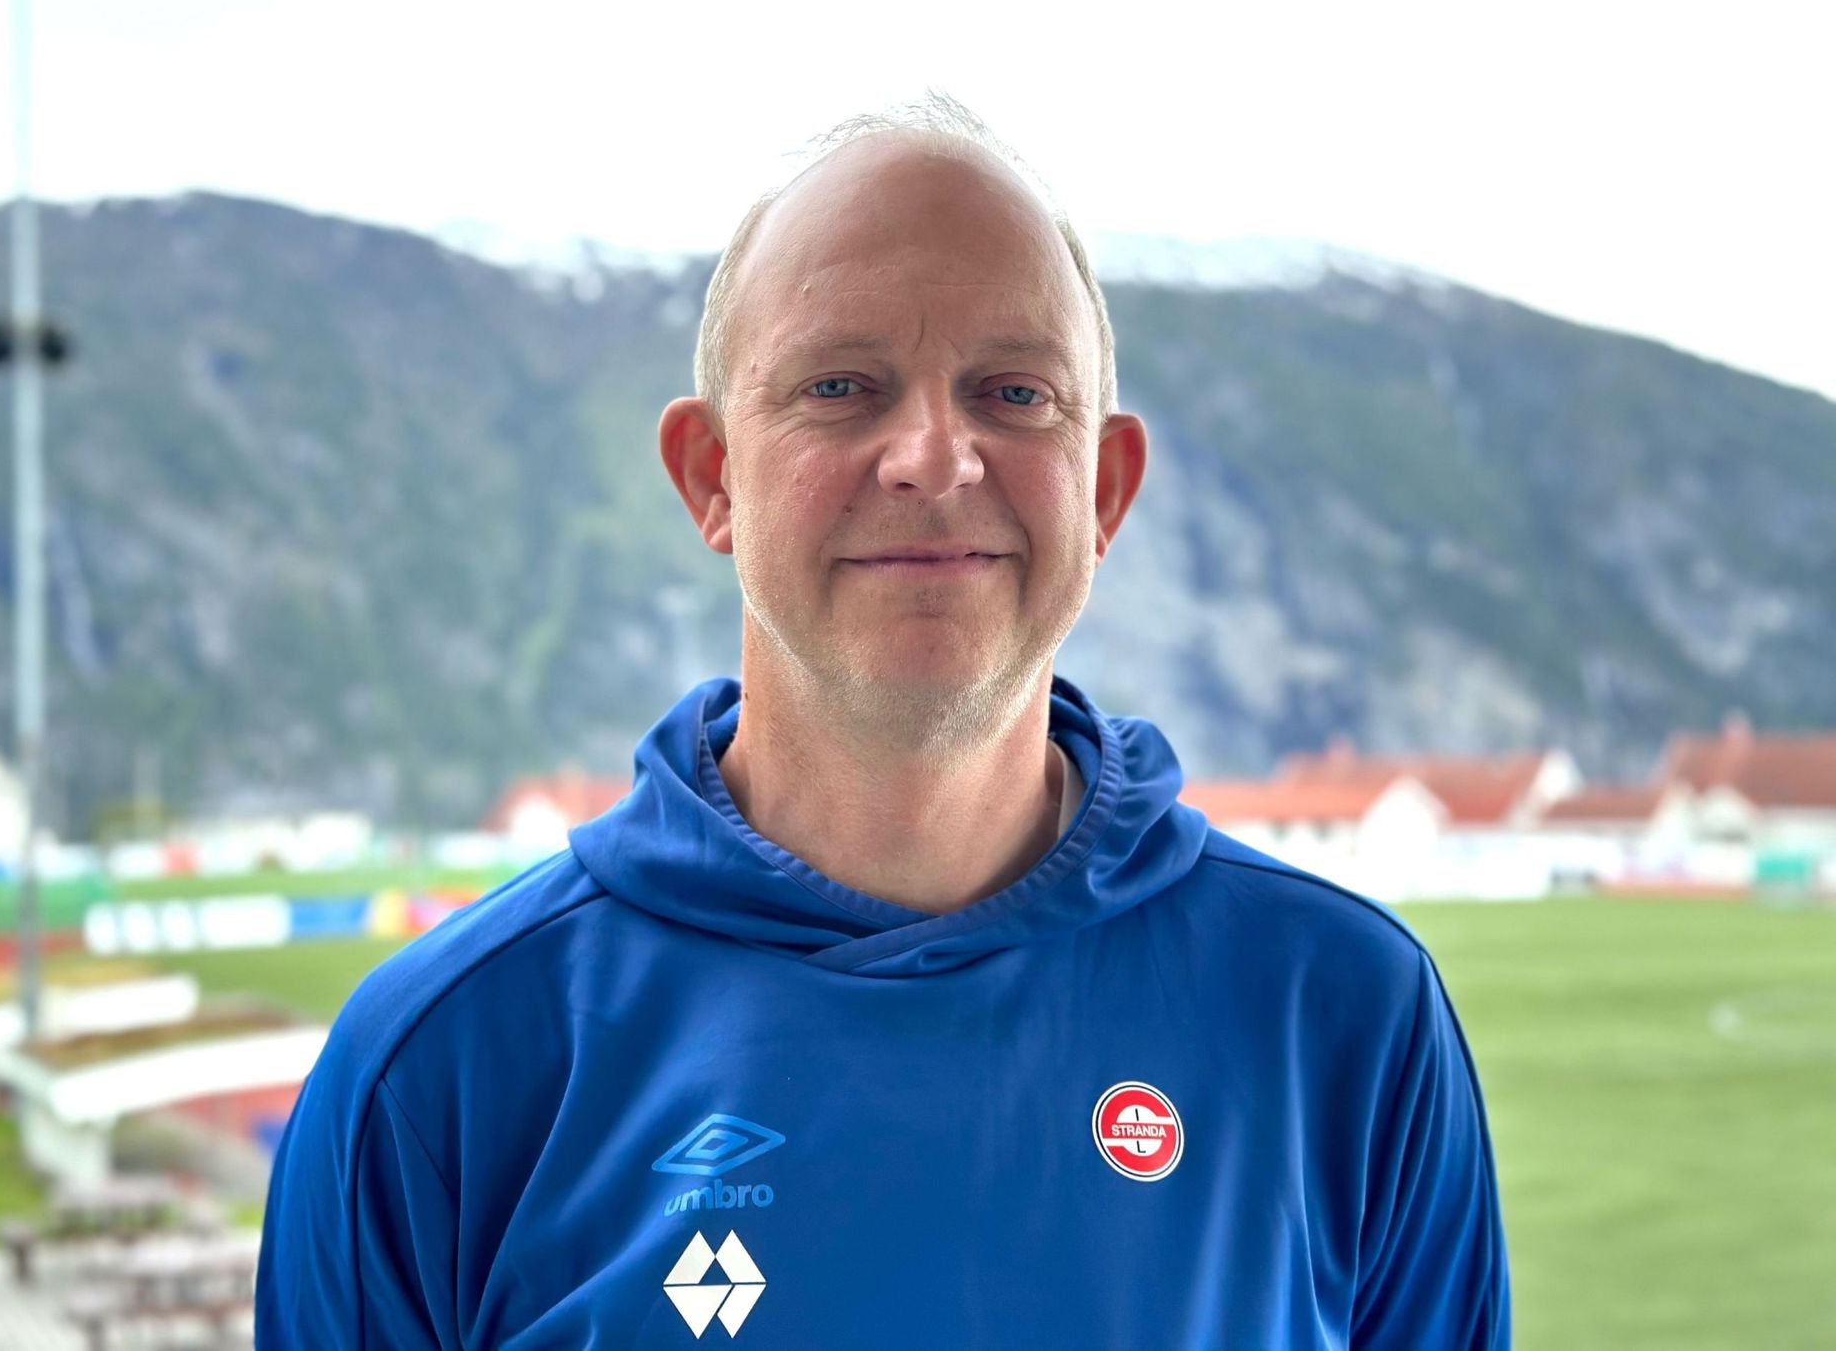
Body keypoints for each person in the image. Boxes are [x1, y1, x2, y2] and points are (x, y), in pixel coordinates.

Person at [256, 95, 1510, 1348]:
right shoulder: (442, 1063)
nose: (932, 457)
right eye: (841, 386)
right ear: (712, 478)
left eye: (1013, 392)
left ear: (1104, 488)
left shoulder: (1341, 1012)